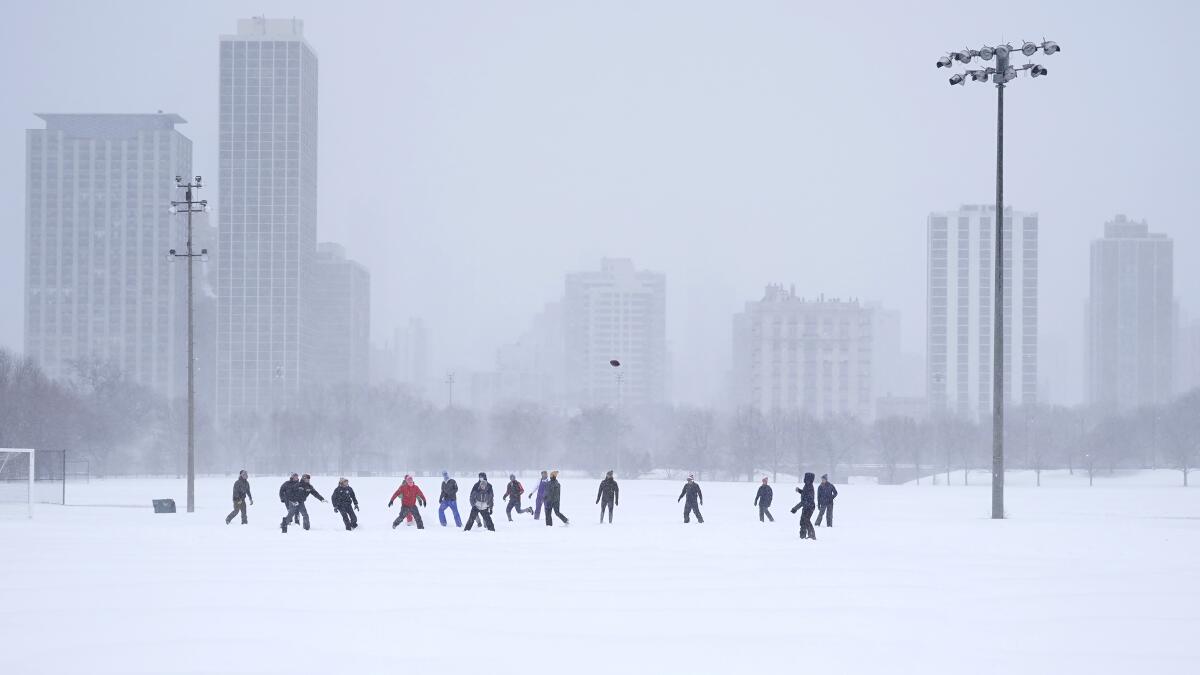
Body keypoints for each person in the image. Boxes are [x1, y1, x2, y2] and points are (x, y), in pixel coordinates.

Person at [790, 472, 817, 540]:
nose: (805, 480)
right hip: (806, 507)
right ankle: (802, 536)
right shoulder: (807, 486)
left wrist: (795, 508)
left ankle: (812, 535)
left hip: (809, 507)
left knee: (806, 520)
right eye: (805, 478)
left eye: (807, 479)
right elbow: (804, 494)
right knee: (803, 521)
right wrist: (799, 490)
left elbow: (805, 500)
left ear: (810, 479)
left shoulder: (809, 487)